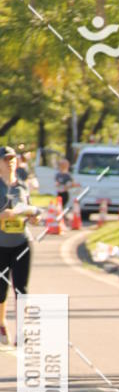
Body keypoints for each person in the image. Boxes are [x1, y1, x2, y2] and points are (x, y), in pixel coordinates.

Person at [0, 147, 41, 345]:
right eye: (5, 159)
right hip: (1, 245)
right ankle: (1, 323)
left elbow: (31, 211)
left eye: (12, 159)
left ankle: (21, 331)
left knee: (21, 288)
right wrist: (2, 216)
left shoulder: (22, 187)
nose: (10, 162)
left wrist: (34, 218)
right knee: (1, 289)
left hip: (22, 243)